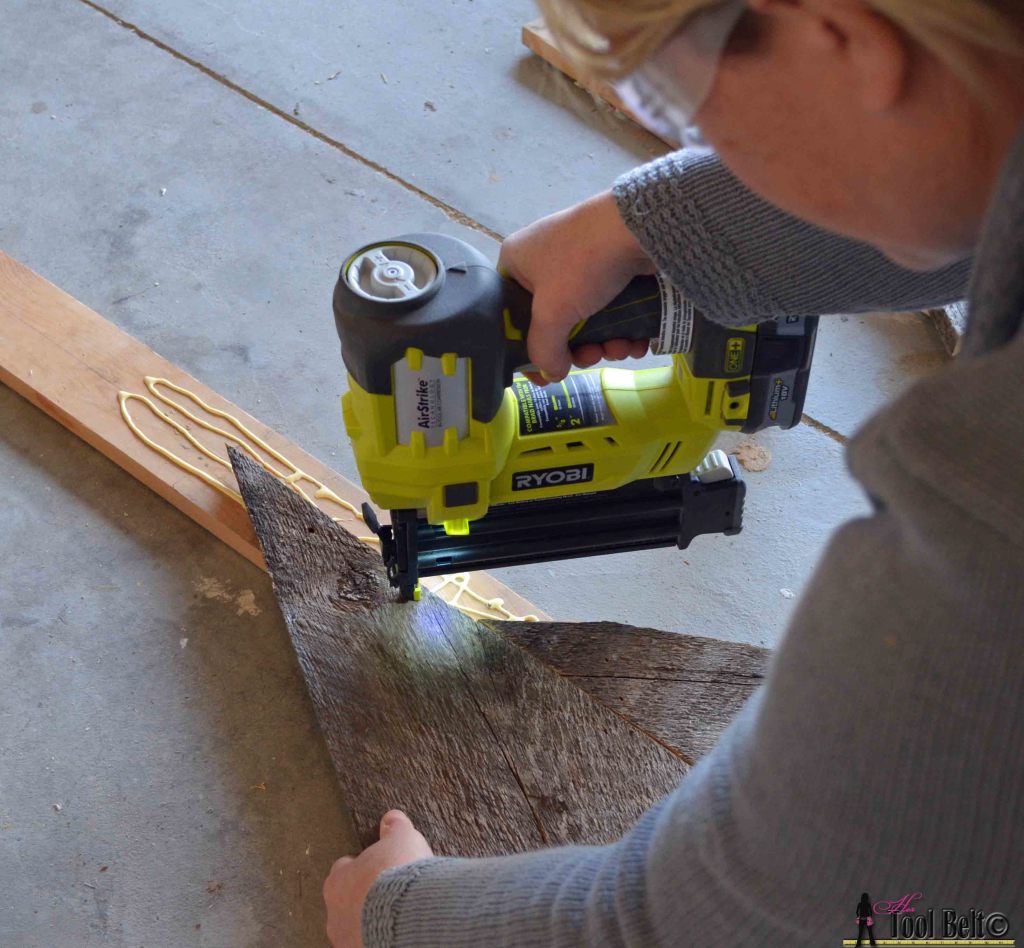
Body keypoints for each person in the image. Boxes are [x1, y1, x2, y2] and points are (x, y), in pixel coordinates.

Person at [324, 1, 1024, 944]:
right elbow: (981, 187)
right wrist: (658, 228)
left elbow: (717, 924)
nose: (683, 134)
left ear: (846, 40)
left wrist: (396, 914)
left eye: (672, 97)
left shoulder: (995, 525)